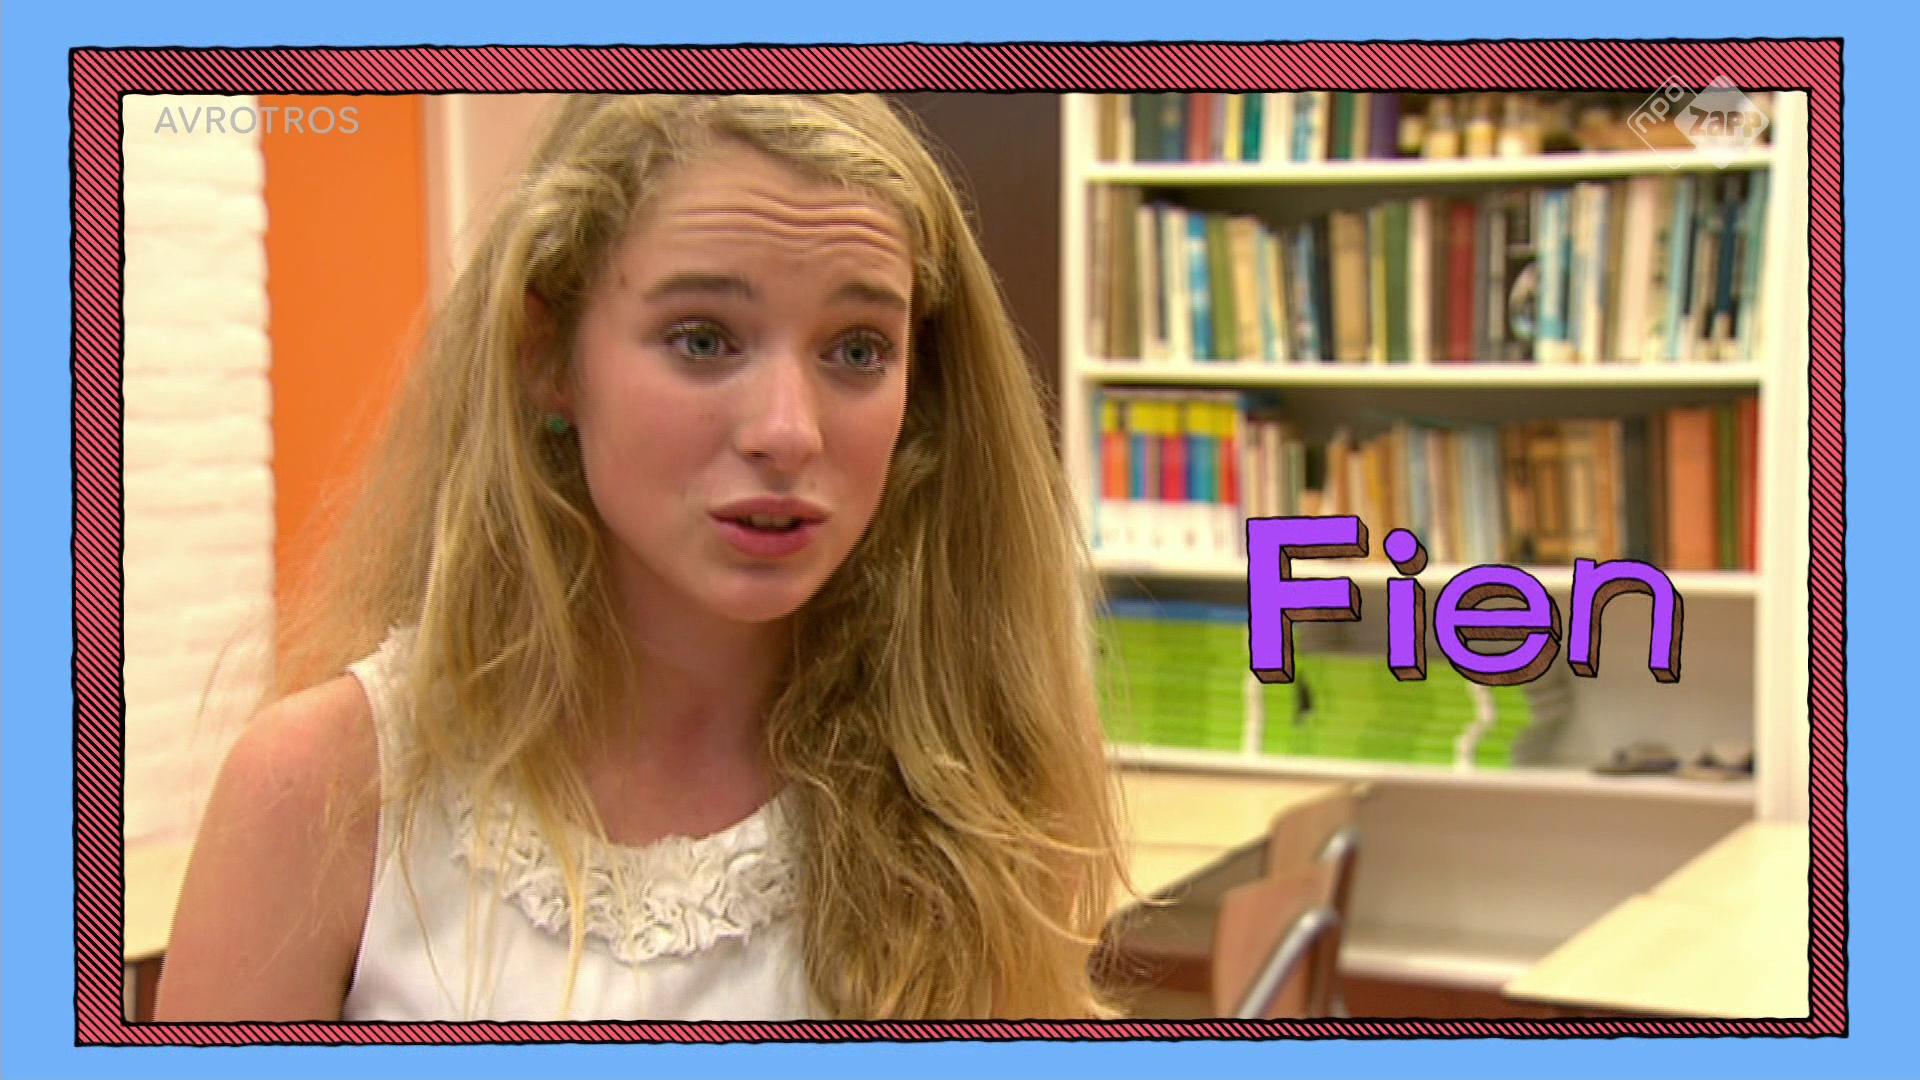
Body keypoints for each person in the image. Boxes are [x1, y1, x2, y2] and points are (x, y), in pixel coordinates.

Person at [153, 94, 1130, 1022]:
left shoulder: (979, 804)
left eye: (859, 350)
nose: (788, 431)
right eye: (703, 340)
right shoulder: (324, 795)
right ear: (547, 354)